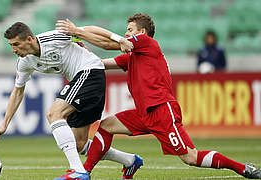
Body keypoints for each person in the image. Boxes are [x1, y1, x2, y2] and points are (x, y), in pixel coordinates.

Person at [56, 13, 261, 179]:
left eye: (129, 30)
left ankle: (242, 168)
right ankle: (85, 172)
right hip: (145, 113)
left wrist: (77, 32)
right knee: (107, 125)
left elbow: (110, 44)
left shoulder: (147, 43)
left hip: (162, 110)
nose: (126, 34)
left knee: (190, 157)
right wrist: (83, 52)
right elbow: (101, 63)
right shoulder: (133, 57)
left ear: (141, 32)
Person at [0, 22, 135, 180]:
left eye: (16, 44)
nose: (14, 50)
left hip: (89, 71)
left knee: (54, 113)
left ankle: (78, 171)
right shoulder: (25, 62)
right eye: (11, 45)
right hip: (82, 79)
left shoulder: (53, 38)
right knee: (79, 144)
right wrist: (5, 123)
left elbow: (88, 29)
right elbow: (18, 91)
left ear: (29, 39)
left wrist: (120, 40)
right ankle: (129, 160)